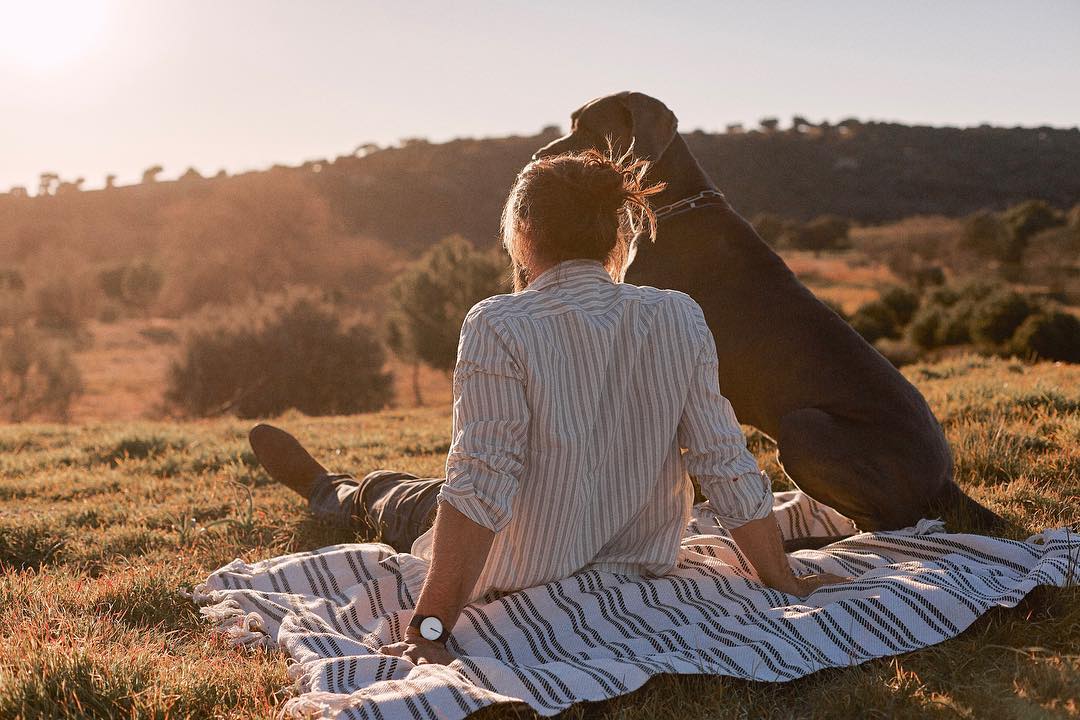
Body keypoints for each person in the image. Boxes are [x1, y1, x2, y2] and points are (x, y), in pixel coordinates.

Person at [248, 149, 847, 667]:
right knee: (416, 492)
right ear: (617, 236)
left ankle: (336, 488)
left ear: (524, 232)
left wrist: (430, 628)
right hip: (627, 556)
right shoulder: (678, 315)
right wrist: (782, 579)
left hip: (506, 557)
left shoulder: (500, 322)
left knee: (398, 497)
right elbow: (725, 460)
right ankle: (334, 486)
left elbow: (481, 483)